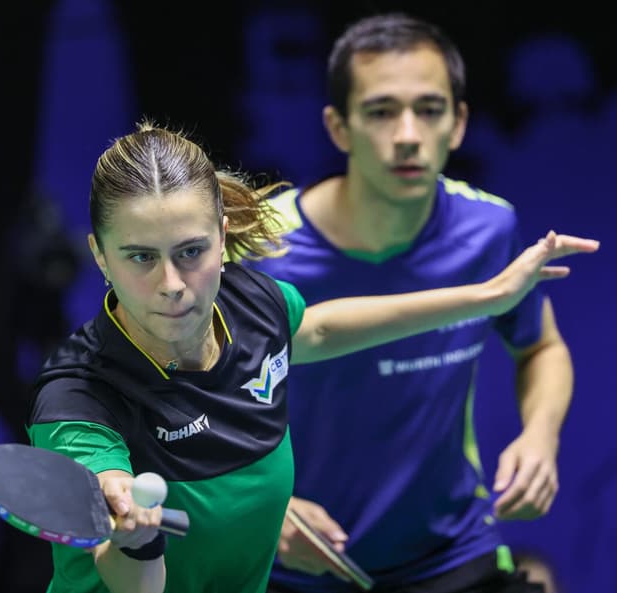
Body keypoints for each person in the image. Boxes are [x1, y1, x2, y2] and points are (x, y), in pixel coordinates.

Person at [24, 120, 598, 593]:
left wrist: (491, 295)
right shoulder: (77, 398)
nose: (171, 283)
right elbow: (135, 585)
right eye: (140, 257)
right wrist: (134, 534)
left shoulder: (250, 304)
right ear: (100, 256)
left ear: (223, 238)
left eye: (191, 251)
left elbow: (318, 329)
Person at [245, 12, 584, 593]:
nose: (407, 134)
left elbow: (542, 346)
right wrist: (262, 504)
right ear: (338, 127)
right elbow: (181, 403)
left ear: (458, 124)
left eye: (429, 110)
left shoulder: (489, 229)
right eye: (380, 112)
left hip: (450, 552)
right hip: (289, 562)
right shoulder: (258, 245)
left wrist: (541, 436)